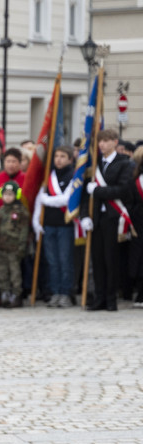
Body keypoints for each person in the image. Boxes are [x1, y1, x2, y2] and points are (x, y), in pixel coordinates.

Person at [84, 129, 134, 311]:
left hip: (114, 217)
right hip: (97, 217)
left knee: (111, 260)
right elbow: (85, 194)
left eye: (106, 141)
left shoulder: (124, 164)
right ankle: (99, 298)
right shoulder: (95, 164)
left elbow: (122, 190)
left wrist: (97, 191)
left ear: (115, 142)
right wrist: (84, 216)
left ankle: (111, 299)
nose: (102, 145)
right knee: (97, 260)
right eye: (100, 141)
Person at [32, 145, 77, 308]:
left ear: (70, 159)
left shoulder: (73, 175)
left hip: (65, 224)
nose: (58, 159)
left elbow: (66, 199)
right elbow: (39, 200)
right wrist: (36, 222)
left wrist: (47, 200)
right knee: (52, 261)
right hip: (49, 224)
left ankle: (65, 293)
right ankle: (55, 292)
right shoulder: (49, 176)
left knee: (65, 260)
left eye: (63, 156)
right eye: (56, 156)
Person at [0, 181, 30, 307]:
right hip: (2, 248)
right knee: (2, 272)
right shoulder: (1, 211)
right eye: (5, 194)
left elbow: (24, 230)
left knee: (15, 273)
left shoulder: (21, 211)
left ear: (16, 195)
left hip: (14, 248)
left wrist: (21, 247)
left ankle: (16, 295)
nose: (8, 197)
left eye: (11, 194)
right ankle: (5, 293)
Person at [126, 146, 143, 307]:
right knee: (138, 258)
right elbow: (130, 202)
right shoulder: (134, 180)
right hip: (139, 222)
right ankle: (139, 291)